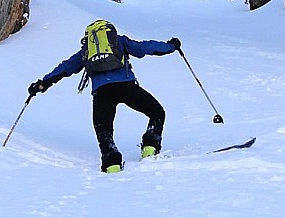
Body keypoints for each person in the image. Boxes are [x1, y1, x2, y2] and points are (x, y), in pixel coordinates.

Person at [28, 20, 181, 173]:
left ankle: (111, 164)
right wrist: (171, 46)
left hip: (102, 92)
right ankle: (150, 148)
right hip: (126, 86)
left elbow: (66, 67)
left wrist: (43, 83)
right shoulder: (119, 41)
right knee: (157, 112)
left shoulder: (86, 51)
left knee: (104, 130)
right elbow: (145, 47)